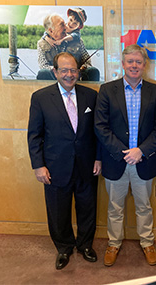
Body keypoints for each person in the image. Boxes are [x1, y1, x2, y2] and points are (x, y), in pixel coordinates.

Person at [94, 44, 156, 267]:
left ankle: (147, 242)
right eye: (130, 61)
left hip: (143, 160)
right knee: (114, 207)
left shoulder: (155, 91)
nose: (134, 65)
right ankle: (114, 243)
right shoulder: (107, 90)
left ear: (144, 65)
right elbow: (100, 126)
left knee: (144, 205)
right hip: (115, 160)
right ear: (123, 63)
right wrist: (123, 152)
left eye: (138, 62)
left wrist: (141, 151)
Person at [28, 52, 101, 270]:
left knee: (88, 208)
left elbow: (97, 132)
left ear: (79, 71)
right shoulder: (40, 97)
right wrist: (38, 165)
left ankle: (85, 245)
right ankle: (64, 248)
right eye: (64, 70)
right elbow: (34, 135)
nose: (69, 75)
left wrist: (98, 158)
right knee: (58, 211)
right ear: (55, 71)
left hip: (87, 165)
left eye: (73, 70)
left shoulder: (91, 96)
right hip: (54, 167)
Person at [37, 13, 99, 81]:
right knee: (43, 73)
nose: (66, 27)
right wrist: (61, 70)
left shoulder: (77, 40)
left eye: (65, 23)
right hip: (54, 81)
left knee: (93, 71)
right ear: (51, 31)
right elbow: (43, 66)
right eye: (62, 25)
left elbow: (87, 60)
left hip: (75, 80)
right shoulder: (42, 44)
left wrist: (82, 67)